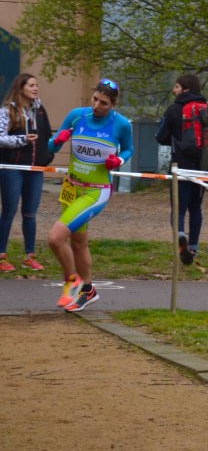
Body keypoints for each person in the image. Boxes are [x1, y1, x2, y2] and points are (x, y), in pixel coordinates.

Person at [47, 78, 133, 312]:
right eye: (95, 99)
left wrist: (119, 160)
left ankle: (71, 280)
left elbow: (129, 148)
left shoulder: (121, 125)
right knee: (78, 242)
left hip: (96, 192)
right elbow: (51, 147)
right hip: (71, 188)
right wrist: (58, 140)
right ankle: (88, 290)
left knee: (55, 238)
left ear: (113, 104)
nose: (96, 106)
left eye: (103, 103)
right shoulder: (76, 116)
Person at [0, 73, 54, 272]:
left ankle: (29, 256)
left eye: (37, 85)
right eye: (31, 85)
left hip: (35, 169)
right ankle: (1, 257)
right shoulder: (6, 111)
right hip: (12, 169)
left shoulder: (39, 111)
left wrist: (47, 157)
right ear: (21, 87)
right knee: (8, 212)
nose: (35, 88)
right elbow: (0, 138)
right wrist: (23, 139)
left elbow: (47, 135)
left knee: (30, 214)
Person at [155, 73, 208, 266]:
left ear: (185, 89)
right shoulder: (207, 110)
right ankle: (193, 248)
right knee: (196, 208)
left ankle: (180, 236)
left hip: (180, 166)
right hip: (203, 168)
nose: (174, 90)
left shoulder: (173, 110)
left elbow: (160, 137)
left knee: (178, 208)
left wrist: (175, 139)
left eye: (176, 87)